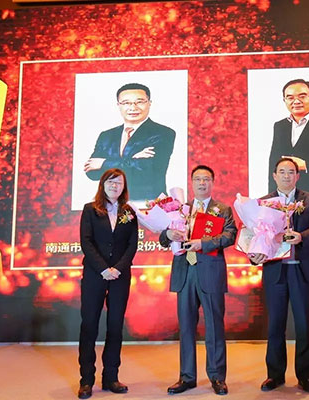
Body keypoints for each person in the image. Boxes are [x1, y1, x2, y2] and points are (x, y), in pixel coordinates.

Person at [159, 165, 237, 396]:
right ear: (191, 182)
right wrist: (168, 234)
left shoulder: (222, 209)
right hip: (185, 273)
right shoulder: (179, 209)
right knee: (185, 328)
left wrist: (203, 243)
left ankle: (217, 377)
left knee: (214, 327)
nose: (202, 183)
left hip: (210, 272)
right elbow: (163, 237)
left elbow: (229, 236)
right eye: (198, 179)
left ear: (212, 182)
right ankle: (187, 377)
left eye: (206, 179)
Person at [249, 158, 309, 393]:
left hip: (301, 268)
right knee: (275, 324)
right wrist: (254, 255)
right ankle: (274, 375)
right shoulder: (264, 203)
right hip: (276, 270)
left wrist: (302, 236)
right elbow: (256, 235)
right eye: (281, 172)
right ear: (274, 175)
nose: (286, 176)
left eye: (291, 172)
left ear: (297, 176)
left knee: (303, 325)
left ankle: (305, 376)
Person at [78, 168, 139, 399]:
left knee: (115, 326)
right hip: (95, 275)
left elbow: (132, 245)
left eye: (119, 182)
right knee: (89, 326)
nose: (115, 186)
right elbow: (86, 242)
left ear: (124, 187)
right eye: (111, 182)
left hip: (120, 277)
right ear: (102, 184)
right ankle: (86, 380)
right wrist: (103, 269)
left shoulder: (129, 212)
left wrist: (118, 269)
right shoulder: (90, 210)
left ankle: (111, 377)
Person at [84, 83, 176, 202]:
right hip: (111, 203)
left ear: (149, 103)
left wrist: (104, 163)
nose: (133, 107)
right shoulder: (107, 136)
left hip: (148, 204)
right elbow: (92, 172)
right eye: (126, 103)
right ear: (118, 105)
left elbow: (147, 170)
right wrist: (133, 161)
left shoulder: (163, 133)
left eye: (140, 102)